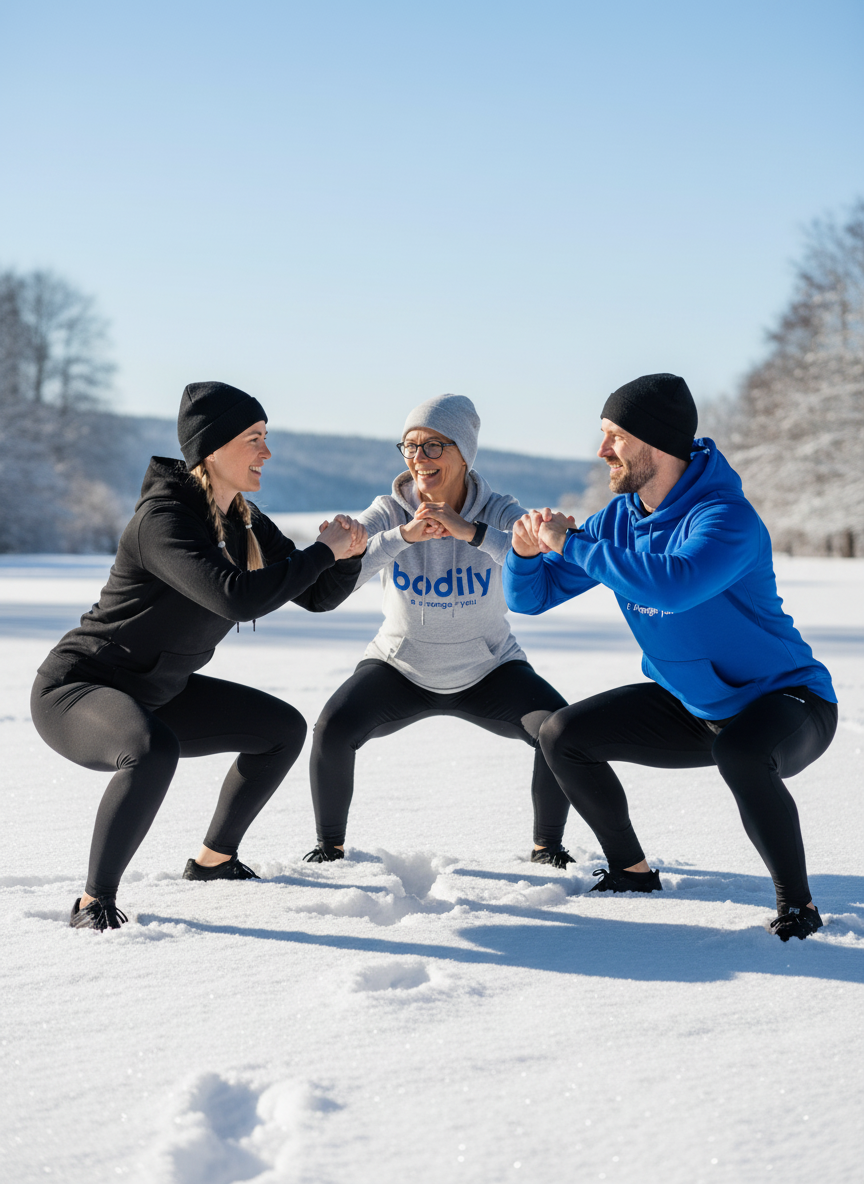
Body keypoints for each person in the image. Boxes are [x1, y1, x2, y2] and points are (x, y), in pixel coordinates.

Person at [502, 372, 837, 942]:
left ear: (654, 442)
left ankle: (798, 907)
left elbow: (673, 585)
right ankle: (631, 872)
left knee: (741, 750)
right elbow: (532, 599)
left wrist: (572, 542)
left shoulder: (725, 517)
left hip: (789, 702)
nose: (603, 450)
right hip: (693, 705)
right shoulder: (620, 518)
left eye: (614, 436)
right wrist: (524, 551)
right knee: (562, 735)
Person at [31, 381, 367, 930]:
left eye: (267, 437)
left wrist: (346, 557)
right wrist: (321, 551)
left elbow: (317, 595)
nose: (267, 452)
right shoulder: (163, 520)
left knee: (280, 729)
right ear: (213, 448)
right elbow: (236, 596)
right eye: (254, 438)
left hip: (160, 691)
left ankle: (214, 861)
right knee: (150, 748)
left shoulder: (243, 520)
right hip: (78, 690)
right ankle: (94, 902)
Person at [304, 393, 572, 865]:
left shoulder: (498, 509)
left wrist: (470, 531)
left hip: (490, 668)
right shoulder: (388, 510)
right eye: (410, 446)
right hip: (399, 666)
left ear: (463, 453)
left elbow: (533, 553)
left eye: (433, 447)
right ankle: (331, 850)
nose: (418, 459)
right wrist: (402, 536)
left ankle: (547, 847)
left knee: (560, 731)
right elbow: (351, 566)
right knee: (331, 728)